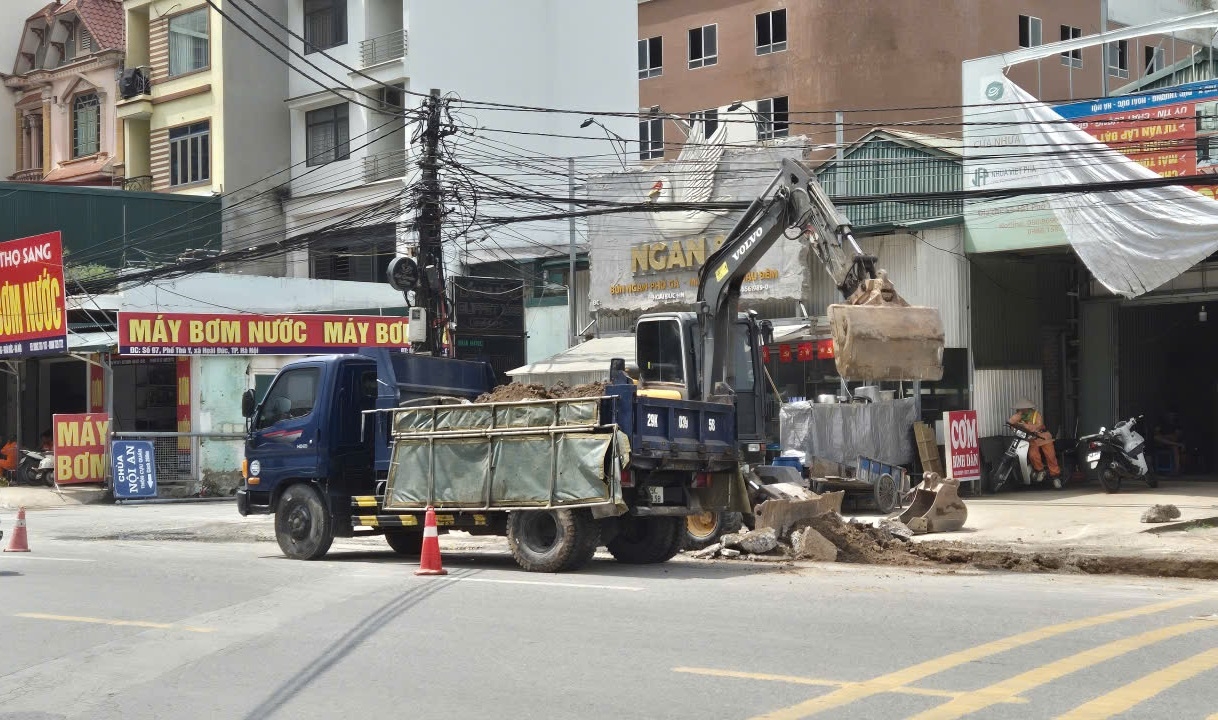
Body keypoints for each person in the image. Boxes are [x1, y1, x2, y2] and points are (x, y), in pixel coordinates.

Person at [1008, 398, 1060, 482]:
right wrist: (1019, 415)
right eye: (1020, 408)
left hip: (1044, 437)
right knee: (1033, 455)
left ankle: (1055, 476)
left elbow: (1037, 427)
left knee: (1050, 456)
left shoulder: (1036, 415)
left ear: (1028, 408)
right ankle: (1040, 471)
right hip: (1032, 439)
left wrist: (1024, 425)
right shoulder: (1020, 415)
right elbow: (1010, 421)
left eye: (1023, 408)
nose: (1021, 409)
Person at [1153, 410, 1185, 474]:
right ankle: (1177, 444)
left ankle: (1176, 469)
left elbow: (1176, 436)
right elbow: (1156, 433)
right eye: (1170, 415)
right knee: (1156, 438)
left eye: (1172, 415)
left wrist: (1167, 437)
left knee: (1175, 447)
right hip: (1162, 443)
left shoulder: (1177, 424)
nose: (1171, 416)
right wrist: (1166, 437)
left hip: (1172, 443)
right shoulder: (1162, 423)